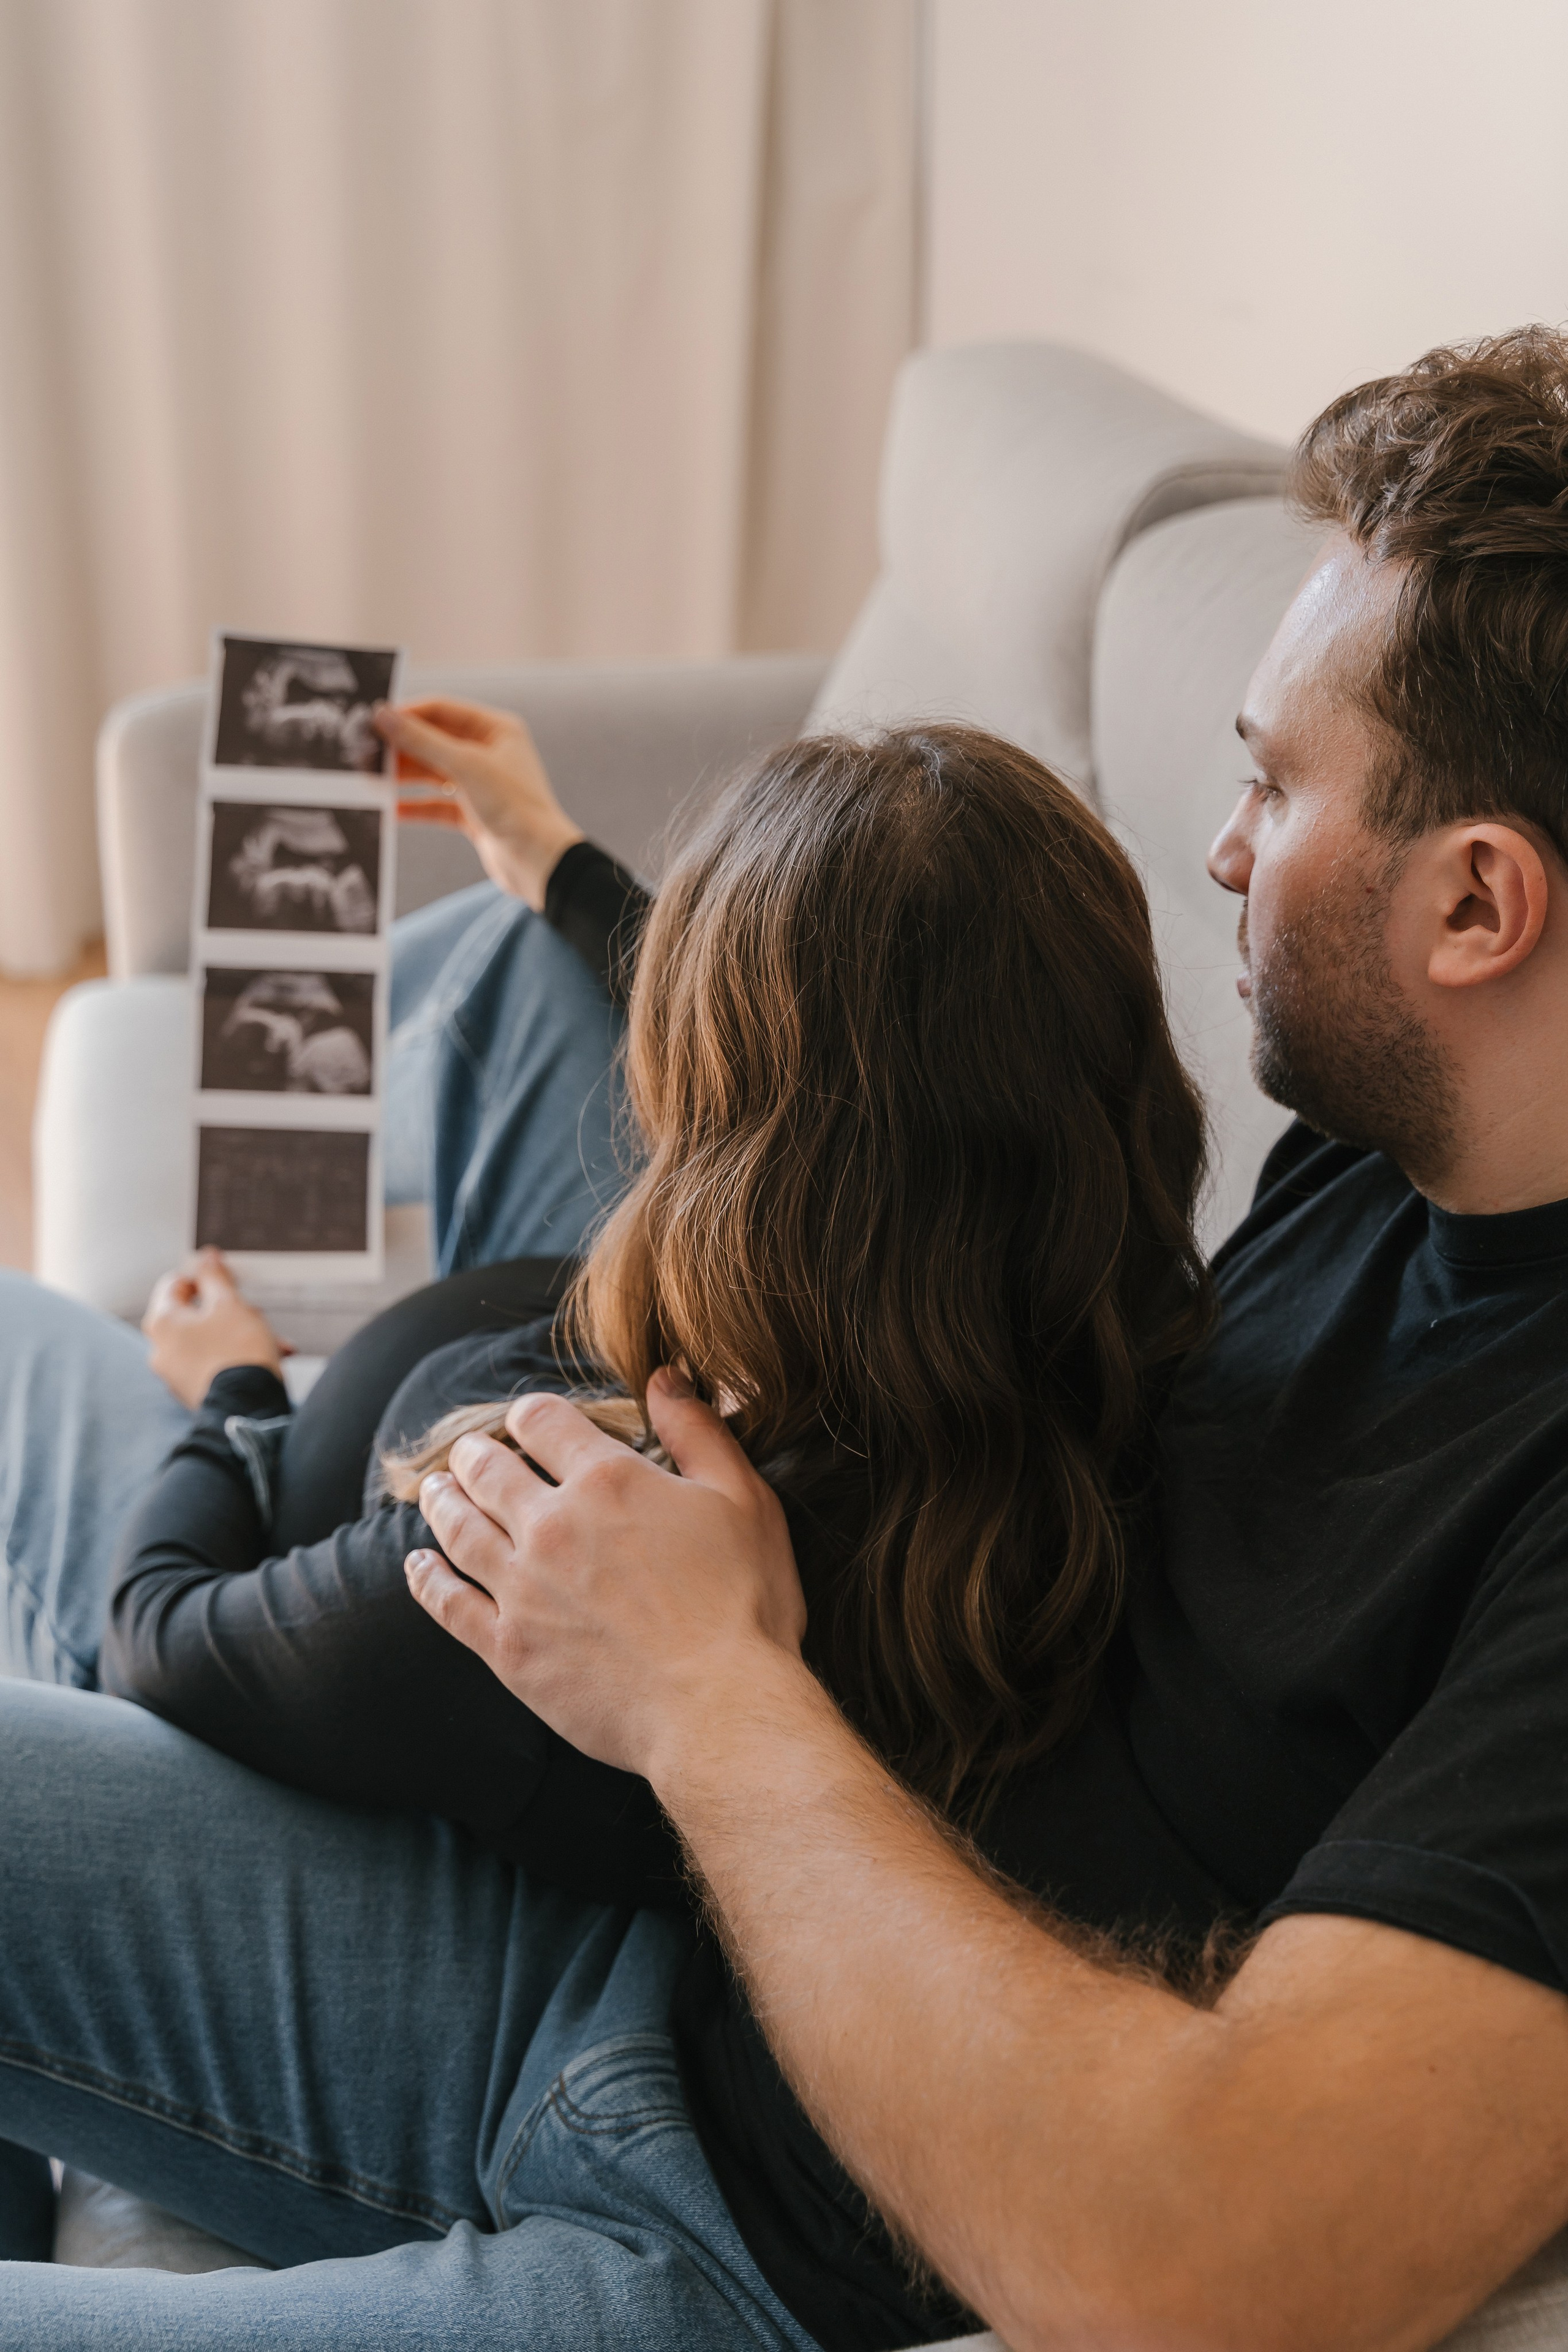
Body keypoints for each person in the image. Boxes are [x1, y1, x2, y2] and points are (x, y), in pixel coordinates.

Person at [404, 326, 1568, 2352]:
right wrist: (579, 880)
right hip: (639, 1970)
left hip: (741, 2245)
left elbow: (1208, 2259)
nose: (1218, 852)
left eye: (1276, 786)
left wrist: (709, 1692)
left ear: (1477, 906)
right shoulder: (1404, 1151)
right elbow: (880, 1102)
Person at [0, 718, 1207, 2351]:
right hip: (651, 1869)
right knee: (510, 971)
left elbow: (161, 1634)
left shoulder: (551, 1529)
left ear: (732, 1160)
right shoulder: (1127, 1340)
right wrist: (555, 862)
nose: (1235, 853)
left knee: (25, 1353)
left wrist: (238, 1398)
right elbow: (901, 1050)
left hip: (451, 1809)